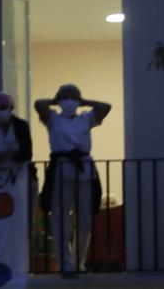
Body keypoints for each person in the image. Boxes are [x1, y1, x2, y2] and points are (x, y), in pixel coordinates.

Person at [35, 84, 111, 278]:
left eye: (72, 96)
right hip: (61, 170)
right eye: (65, 97)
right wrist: (57, 99)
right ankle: (66, 265)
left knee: (84, 220)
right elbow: (38, 104)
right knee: (61, 220)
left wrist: (83, 101)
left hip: (84, 170)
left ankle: (79, 262)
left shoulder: (86, 118)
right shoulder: (54, 119)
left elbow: (106, 107)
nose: (68, 99)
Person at [0, 92, 33, 165]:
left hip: (20, 171)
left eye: (3, 108)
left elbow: (27, 153)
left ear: (11, 108)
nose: (0, 112)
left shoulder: (21, 125)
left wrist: (11, 155)